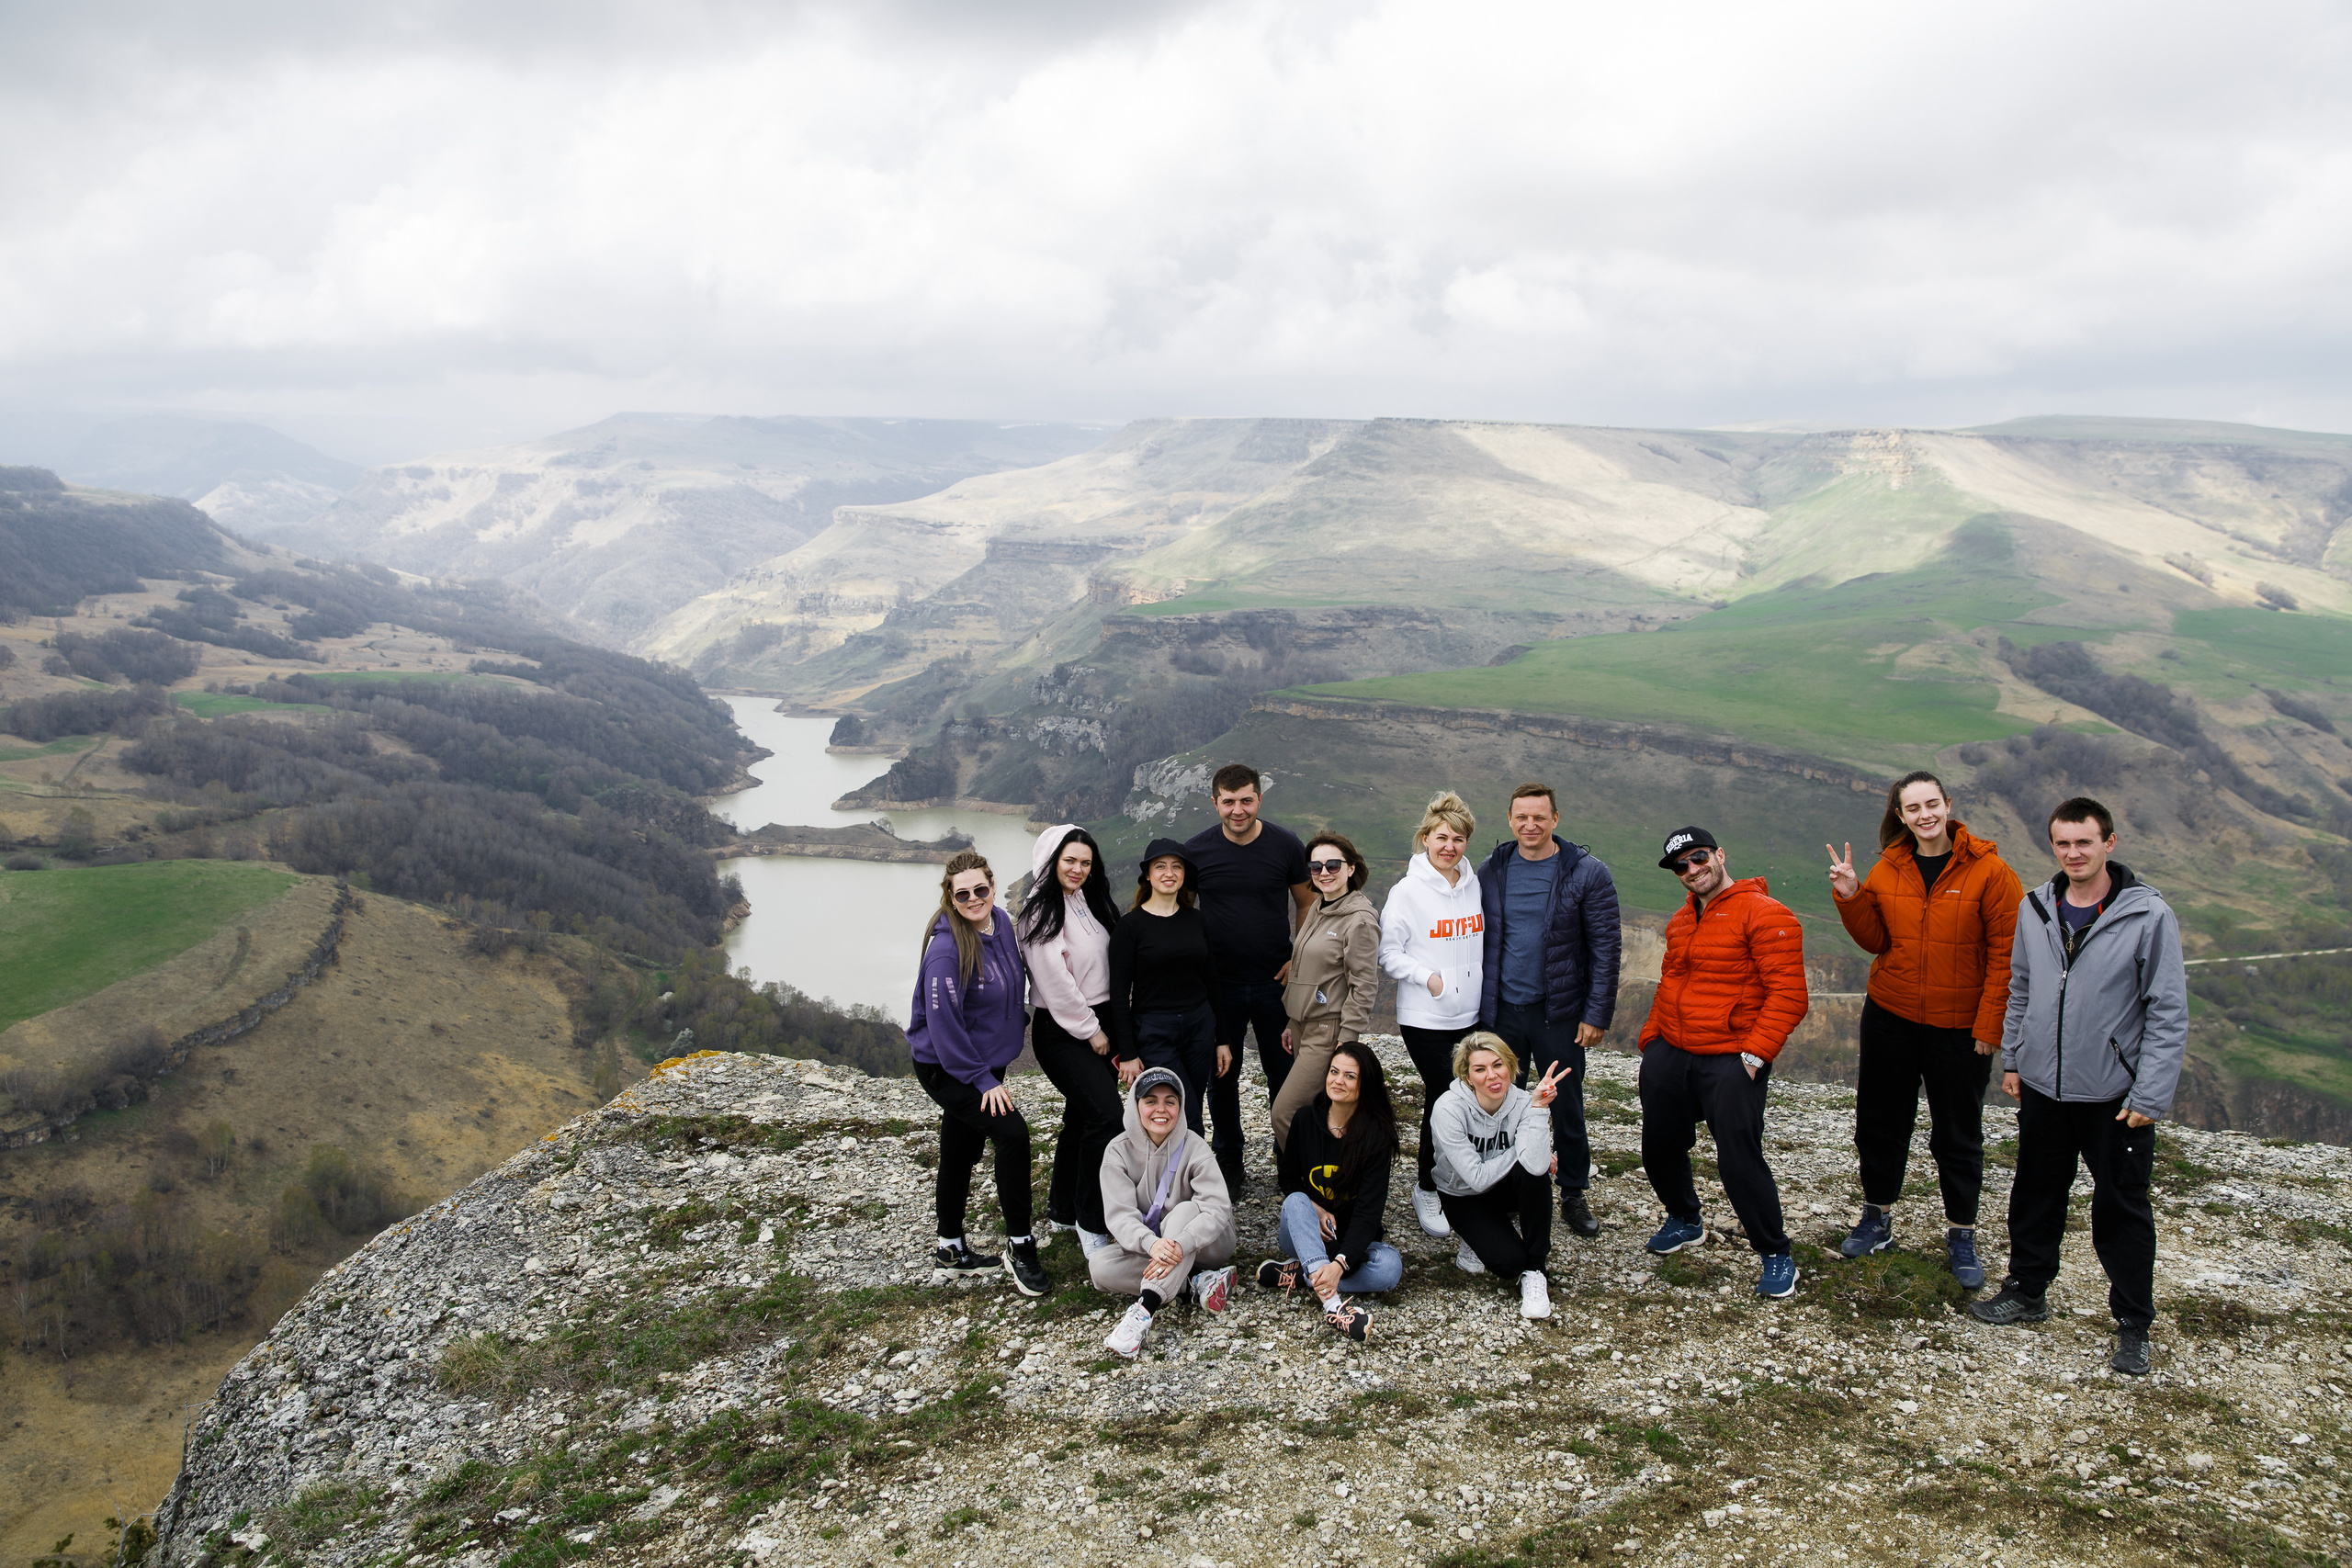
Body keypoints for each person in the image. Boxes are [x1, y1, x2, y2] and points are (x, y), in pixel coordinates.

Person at [1969, 797, 2188, 1379]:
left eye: (2084, 843)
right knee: (2036, 1191)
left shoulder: (2148, 915)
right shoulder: (2037, 908)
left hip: (2114, 1095)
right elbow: (2020, 988)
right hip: (2043, 1085)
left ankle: (2134, 1325)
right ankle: (2027, 1289)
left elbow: (2166, 1011)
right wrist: (2014, 1058)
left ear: (2108, 844)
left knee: (2122, 1209)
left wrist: (2149, 1095)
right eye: (2063, 844)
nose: (2073, 854)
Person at [1826, 772, 2023, 1288]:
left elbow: (2007, 956)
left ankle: (1961, 1232)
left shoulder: (1991, 871)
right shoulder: (1890, 867)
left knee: (1957, 1134)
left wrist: (1990, 1025)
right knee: (1879, 1122)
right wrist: (1851, 896)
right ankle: (1877, 1217)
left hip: (1959, 1027)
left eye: (1931, 804)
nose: (1924, 816)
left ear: (1948, 805)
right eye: (1912, 809)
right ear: (1901, 814)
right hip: (1891, 1015)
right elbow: (1876, 941)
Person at [1637, 827, 1809, 1300]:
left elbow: (1790, 996)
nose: (1692, 870)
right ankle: (1685, 1219)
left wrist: (1753, 1055)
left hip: (1731, 1057)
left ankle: (1775, 1252)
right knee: (1659, 1146)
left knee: (1739, 1160)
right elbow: (1669, 981)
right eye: (1681, 866)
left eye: (1698, 858)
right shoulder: (1680, 921)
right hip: (1673, 1050)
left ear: (1718, 855)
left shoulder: (1767, 914)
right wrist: (1652, 1041)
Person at [1476, 783, 1622, 1240]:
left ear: (1555, 819)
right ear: (1509, 818)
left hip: (1557, 1011)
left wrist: (1596, 1013)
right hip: (1503, 1010)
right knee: (1501, 1103)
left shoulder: (1586, 872)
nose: (1530, 825)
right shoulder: (1493, 868)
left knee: (1566, 1104)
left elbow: (1605, 947)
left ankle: (1574, 1190)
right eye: (1522, 817)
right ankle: (1508, 1185)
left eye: (1540, 817)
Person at [906, 849, 1050, 1297]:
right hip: (950, 1067)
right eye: (962, 893)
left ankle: (950, 1250)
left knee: (960, 1143)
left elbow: (1012, 979)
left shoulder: (1001, 922)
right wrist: (982, 1080)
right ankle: (1020, 1246)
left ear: (991, 885)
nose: (974, 899)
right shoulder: (946, 952)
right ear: (950, 896)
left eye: (981, 889)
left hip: (988, 1059)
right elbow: (943, 1025)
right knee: (1012, 1134)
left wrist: (1016, 1021)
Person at [1185, 763, 1312, 1190]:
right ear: (1215, 802)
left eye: (1246, 801)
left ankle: (1288, 1161)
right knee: (1222, 1075)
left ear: (1259, 798)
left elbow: (1307, 903)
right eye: (1228, 802)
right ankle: (1229, 1162)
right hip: (1218, 986)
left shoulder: (1286, 845)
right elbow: (1182, 913)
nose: (1237, 810)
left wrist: (1299, 955)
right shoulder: (1197, 851)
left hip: (1275, 983)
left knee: (1285, 1074)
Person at [1379, 789, 1486, 1240]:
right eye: (1441, 837)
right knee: (1444, 1096)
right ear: (1425, 838)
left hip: (1471, 1014)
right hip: (1426, 1016)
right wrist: (1429, 978)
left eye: (1458, 839)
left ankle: (1462, 1180)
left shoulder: (1473, 883)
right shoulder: (1407, 892)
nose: (1449, 847)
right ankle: (1427, 1187)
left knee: (1467, 1097)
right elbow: (1389, 953)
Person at [1020, 824, 1125, 1258]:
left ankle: (1062, 1208)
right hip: (1065, 1028)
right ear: (1051, 860)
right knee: (1106, 1117)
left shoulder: (1083, 899)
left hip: (1097, 1017)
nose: (1078, 869)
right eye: (1070, 861)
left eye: (1085, 862)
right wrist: (1093, 1031)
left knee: (1081, 1119)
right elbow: (1056, 983)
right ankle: (1091, 1219)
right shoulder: (1040, 910)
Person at [1263, 1040, 1404, 1341]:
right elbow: (1288, 1181)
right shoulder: (1304, 1119)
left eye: (1349, 1076)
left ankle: (1304, 1276)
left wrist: (1341, 1264)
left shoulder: (1376, 1136)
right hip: (1306, 1232)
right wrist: (1316, 1209)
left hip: (1349, 1238)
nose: (1338, 1081)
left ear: (1365, 1085)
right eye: (1334, 1072)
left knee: (1390, 1268)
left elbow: (1369, 1213)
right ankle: (1333, 1305)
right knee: (1297, 1200)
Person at [1093, 1066, 1238, 1358]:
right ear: (1136, 1107)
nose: (1161, 1110)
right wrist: (1152, 1243)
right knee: (1100, 1266)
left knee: (1184, 1212)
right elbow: (1120, 1216)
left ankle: (1143, 1310)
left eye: (1170, 1101)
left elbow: (1216, 1207)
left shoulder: (1194, 1146)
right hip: (1158, 1245)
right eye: (1151, 1101)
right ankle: (1196, 1283)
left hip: (1208, 1242)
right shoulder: (1116, 1152)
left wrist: (1180, 1243)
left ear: (1180, 1107)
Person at [1429, 1032, 1571, 1320]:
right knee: (1508, 1264)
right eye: (1480, 1069)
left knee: (1536, 1172)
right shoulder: (1448, 1109)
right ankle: (1476, 1235)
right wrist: (1523, 1144)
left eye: (1498, 1065)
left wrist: (1538, 1110)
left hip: (1504, 1187)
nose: (1491, 1076)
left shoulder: (1523, 1101)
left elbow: (1537, 1165)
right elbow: (1477, 1178)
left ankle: (1536, 1271)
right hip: (1462, 1193)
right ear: (1467, 1077)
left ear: (1510, 1066)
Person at [1105, 840, 1228, 1137]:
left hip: (1199, 1026)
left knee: (1193, 1103)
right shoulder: (1130, 926)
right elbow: (1119, 994)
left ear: (1185, 874)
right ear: (1147, 875)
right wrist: (1128, 1053)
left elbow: (1212, 980)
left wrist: (1222, 1039)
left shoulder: (1196, 920)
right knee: (1182, 1111)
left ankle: (1181, 1176)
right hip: (1154, 1031)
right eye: (1160, 866)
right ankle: (1194, 1179)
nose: (1168, 873)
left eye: (1177, 866)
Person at [1268, 830, 1381, 1147]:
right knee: (1317, 1110)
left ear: (1351, 868)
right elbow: (1305, 970)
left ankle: (1309, 1181)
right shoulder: (1319, 906)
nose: (1324, 873)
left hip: (1328, 1032)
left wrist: (1347, 1041)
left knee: (1285, 1112)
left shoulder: (1359, 920)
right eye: (1316, 867)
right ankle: (1330, 1175)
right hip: (1304, 1026)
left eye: (1333, 865)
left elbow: (1364, 985)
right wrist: (1293, 1021)